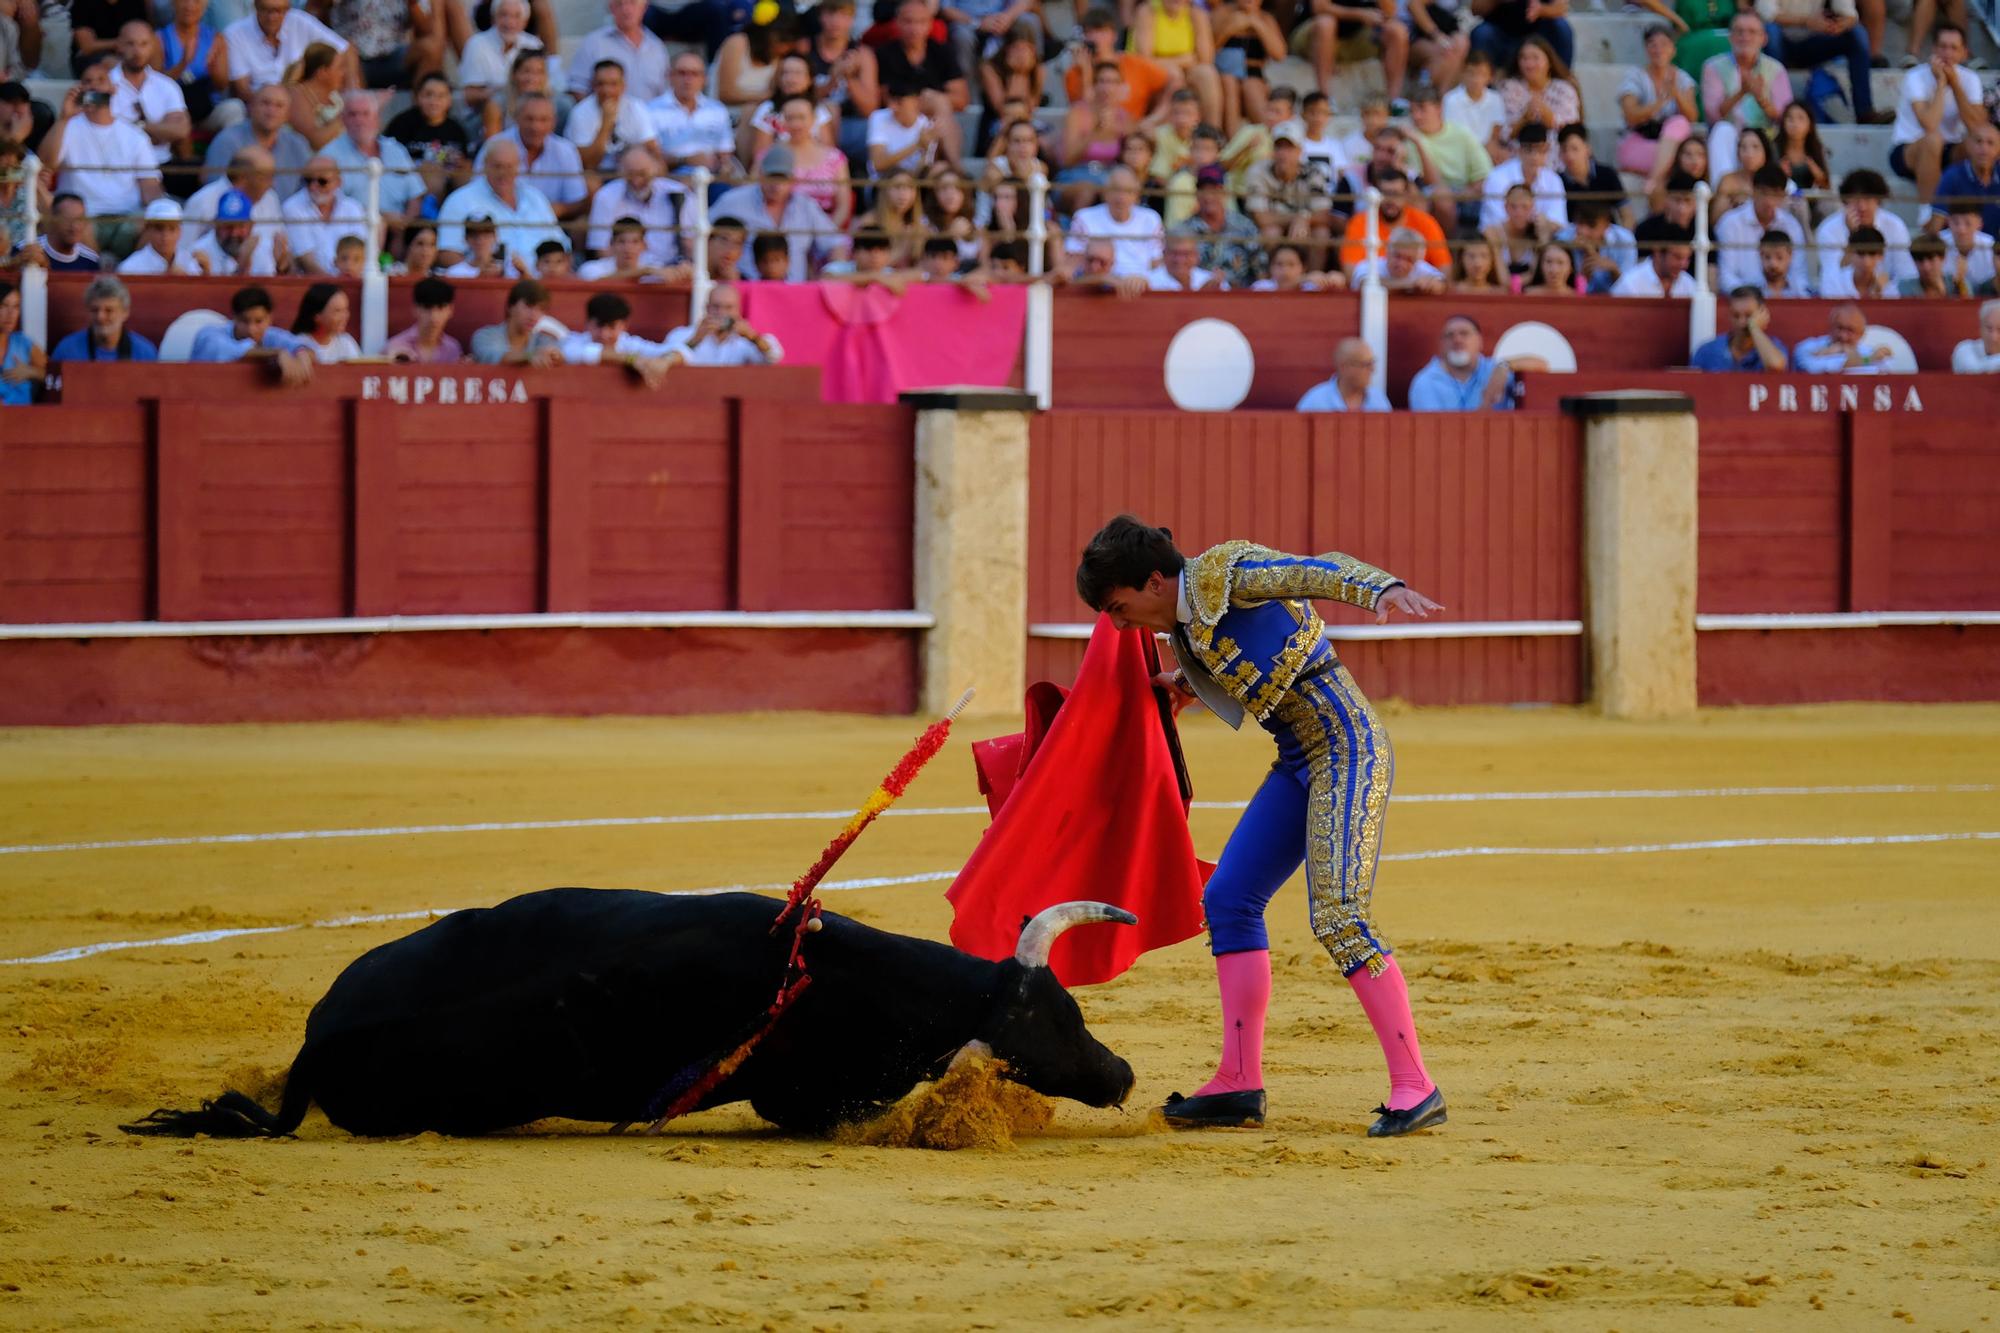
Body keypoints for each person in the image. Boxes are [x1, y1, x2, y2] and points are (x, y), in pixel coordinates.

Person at [1074, 516, 1446, 1136]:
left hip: (1348, 748)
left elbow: (1315, 568)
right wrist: (1185, 685)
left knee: (1339, 915)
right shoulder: (1185, 622)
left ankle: (1416, 1084)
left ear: (1155, 581)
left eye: (1119, 607)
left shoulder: (1228, 576)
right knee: (1228, 899)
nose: (1117, 624)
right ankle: (1238, 1082)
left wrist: (1382, 588)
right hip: (1299, 757)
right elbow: (1240, 660)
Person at [42, 61, 162, 257]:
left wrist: (159, 213)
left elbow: (151, 188)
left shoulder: (135, 135)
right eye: (88, 81)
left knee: (160, 219)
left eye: (101, 80)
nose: (95, 85)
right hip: (84, 218)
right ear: (80, 88)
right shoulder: (68, 127)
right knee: (75, 222)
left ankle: (128, 272)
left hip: (126, 219)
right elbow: (46, 164)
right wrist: (64, 118)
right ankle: (98, 268)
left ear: (113, 88)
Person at [711, 143, 845, 279]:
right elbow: (701, 234)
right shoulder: (733, 201)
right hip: (746, 292)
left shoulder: (806, 206)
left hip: (794, 293)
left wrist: (831, 272)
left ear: (792, 179)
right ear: (761, 175)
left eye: (782, 178)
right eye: (772, 177)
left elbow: (836, 243)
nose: (776, 185)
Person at [436, 138, 565, 273]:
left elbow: (561, 246)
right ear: (485, 165)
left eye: (509, 166)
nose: (503, 173)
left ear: (518, 167)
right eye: (497, 166)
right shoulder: (460, 200)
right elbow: (447, 254)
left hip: (540, 283)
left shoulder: (536, 197)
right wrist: (479, 273)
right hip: (490, 285)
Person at [1889, 22, 1981, 205]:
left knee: (1983, 142)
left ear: (1964, 53)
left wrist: (1954, 84)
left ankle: (1979, 214)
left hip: (1949, 148)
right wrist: (1941, 84)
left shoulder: (1970, 79)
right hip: (1910, 149)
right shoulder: (1915, 77)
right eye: (1943, 47)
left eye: (1954, 48)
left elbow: (1977, 126)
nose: (1947, 54)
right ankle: (1930, 213)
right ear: (1934, 49)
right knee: (1933, 139)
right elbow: (1930, 124)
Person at [1760, 0, 1884, 129]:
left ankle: (1864, 111)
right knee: (1770, 30)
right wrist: (1806, 22)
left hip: (1815, 41)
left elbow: (1850, 15)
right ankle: (1777, 109)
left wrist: (1840, 25)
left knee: (1857, 33)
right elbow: (1767, 14)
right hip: (1781, 44)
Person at [876, 0, 969, 164]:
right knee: (940, 104)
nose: (914, 28)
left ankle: (947, 166)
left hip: (935, 118)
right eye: (908, 21)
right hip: (899, 117)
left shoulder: (942, 52)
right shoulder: (884, 54)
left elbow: (961, 99)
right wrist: (919, 100)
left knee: (939, 106)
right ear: (897, 22)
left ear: (930, 24)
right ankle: (955, 167)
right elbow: (885, 98)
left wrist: (931, 98)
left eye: (920, 22)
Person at [1701, 10, 1788, 181]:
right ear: (1730, 37)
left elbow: (1784, 117)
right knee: (1722, 130)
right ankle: (1725, 191)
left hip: (1765, 139)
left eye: (1752, 32)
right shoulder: (1713, 67)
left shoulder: (1776, 69)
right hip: (1730, 139)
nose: (1745, 37)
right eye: (1739, 31)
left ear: (1764, 39)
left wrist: (1761, 99)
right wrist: (1742, 92)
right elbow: (1713, 116)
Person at [220, 0, 352, 101]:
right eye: (266, 10)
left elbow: (346, 49)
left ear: (287, 9)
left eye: (278, 11)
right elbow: (243, 90)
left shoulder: (298, 20)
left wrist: (353, 91)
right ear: (255, 7)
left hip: (301, 98)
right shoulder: (235, 34)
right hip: (261, 103)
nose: (272, 17)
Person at [1408, 312, 1543, 409]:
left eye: (1464, 333)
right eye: (1450, 335)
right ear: (1441, 344)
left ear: (1480, 341)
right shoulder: (1426, 382)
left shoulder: (1494, 369)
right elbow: (1431, 431)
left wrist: (1506, 366)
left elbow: (1542, 365)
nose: (1457, 340)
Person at [189, 283, 315, 386]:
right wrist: (277, 352)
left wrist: (301, 353)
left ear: (269, 319)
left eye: (259, 321)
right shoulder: (210, 334)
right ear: (234, 318)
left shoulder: (272, 335)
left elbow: (301, 346)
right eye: (244, 321)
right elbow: (228, 351)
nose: (251, 329)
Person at [205, 81, 313, 200]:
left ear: (288, 114)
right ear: (251, 107)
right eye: (265, 103)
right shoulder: (227, 141)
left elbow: (307, 191)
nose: (271, 111)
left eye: (279, 106)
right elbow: (215, 190)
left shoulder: (298, 144)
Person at [324, 91, 422, 220]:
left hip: (401, 227)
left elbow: (416, 194)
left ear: (377, 118)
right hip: (355, 227)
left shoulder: (395, 149)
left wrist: (404, 229)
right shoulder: (329, 155)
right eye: (352, 114)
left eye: (365, 114)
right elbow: (331, 204)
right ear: (343, 120)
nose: (359, 120)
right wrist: (382, 219)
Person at [108, 20, 189, 174]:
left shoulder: (166, 85)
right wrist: (159, 130)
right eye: (130, 44)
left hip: (162, 163)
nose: (137, 51)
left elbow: (180, 130)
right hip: (120, 165)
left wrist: (138, 126)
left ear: (152, 46)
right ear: (119, 45)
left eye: (144, 44)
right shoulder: (104, 85)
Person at [1814, 169, 1914, 292]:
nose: (1862, 207)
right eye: (1856, 200)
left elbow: (1905, 272)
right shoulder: (1828, 229)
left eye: (1868, 199)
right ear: (1845, 201)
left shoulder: (1895, 226)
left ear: (1878, 200)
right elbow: (1832, 277)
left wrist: (1886, 289)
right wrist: (1853, 236)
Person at [1618, 22, 1696, 177]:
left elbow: (1692, 117)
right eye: (1652, 45)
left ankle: (1653, 181)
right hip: (1642, 141)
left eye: (1664, 44)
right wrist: (1660, 102)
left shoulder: (1682, 79)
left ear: (1673, 50)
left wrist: (1676, 94)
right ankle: (1657, 177)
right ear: (1646, 49)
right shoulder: (1634, 76)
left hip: (1673, 144)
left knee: (1678, 123)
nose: (1658, 50)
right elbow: (1630, 116)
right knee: (1669, 160)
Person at [1131, 0, 1225, 126]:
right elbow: (1145, 57)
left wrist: (1176, 62)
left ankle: (1212, 131)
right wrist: (1186, 59)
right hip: (1155, 70)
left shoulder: (1197, 14)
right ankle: (1160, 124)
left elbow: (1206, 58)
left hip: (1185, 69)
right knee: (1175, 74)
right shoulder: (1147, 10)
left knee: (1207, 74)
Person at [1715, 164, 1807, 293]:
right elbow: (1726, 277)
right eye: (1764, 193)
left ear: (1784, 195)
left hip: (1785, 299)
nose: (1769, 201)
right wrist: (1752, 298)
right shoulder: (1730, 224)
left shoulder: (1792, 226)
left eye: (1775, 194)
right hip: (1742, 304)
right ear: (1753, 191)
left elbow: (1799, 274)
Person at [557, 290, 678, 387]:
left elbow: (679, 350)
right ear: (587, 323)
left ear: (624, 325)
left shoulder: (631, 344)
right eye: (599, 326)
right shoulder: (574, 341)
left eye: (612, 327)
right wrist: (631, 359)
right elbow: (573, 353)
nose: (604, 334)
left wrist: (665, 362)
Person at [461, 0, 559, 118]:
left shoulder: (534, 44)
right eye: (503, 15)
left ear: (525, 22)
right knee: (496, 103)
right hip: (486, 113)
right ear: (493, 18)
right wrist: (506, 91)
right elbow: (469, 96)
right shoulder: (477, 44)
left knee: (562, 104)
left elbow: (546, 84)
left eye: (516, 16)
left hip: (528, 108)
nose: (510, 22)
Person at [1068, 163, 1167, 277]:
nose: (1121, 197)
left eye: (1128, 191)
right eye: (1116, 190)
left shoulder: (1151, 219)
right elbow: (1074, 263)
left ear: (1137, 195)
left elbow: (1157, 263)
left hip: (1140, 286)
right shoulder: (1084, 218)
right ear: (1105, 192)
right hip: (1097, 286)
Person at [648, 50, 736, 178]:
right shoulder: (651, 110)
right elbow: (649, 156)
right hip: (667, 178)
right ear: (669, 76)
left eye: (695, 74)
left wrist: (723, 167)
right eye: (682, 73)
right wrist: (685, 160)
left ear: (704, 79)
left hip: (711, 177)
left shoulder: (717, 110)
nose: (688, 80)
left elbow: (725, 153)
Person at [1173, 163, 1263, 288]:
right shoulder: (1183, 230)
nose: (1209, 196)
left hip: (1240, 297)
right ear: (1196, 194)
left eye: (1214, 190)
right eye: (1203, 190)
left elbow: (1261, 268)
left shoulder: (1245, 227)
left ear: (1224, 192)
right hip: (1198, 297)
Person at [566, 0, 668, 103]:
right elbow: (577, 88)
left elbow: (664, 93)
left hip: (650, 117)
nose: (626, 9)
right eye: (619, 4)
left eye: (632, 3)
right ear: (611, 8)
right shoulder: (593, 43)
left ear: (644, 7)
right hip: (605, 116)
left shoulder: (657, 48)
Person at [662, 282, 783, 365]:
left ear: (738, 311)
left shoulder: (745, 341)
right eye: (716, 307)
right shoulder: (682, 334)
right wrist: (696, 339)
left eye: (728, 308)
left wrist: (753, 337)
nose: (721, 313)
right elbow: (664, 360)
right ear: (707, 308)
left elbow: (774, 356)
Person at [282, 156, 367, 274]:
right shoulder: (292, 207)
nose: (313, 187)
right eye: (308, 180)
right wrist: (334, 286)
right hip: (315, 284)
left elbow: (362, 252)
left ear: (338, 182)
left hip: (351, 281)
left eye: (322, 181)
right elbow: (307, 261)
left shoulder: (353, 208)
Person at [49, 274, 156, 362]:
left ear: (125, 313)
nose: (100, 317)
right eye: (94, 310)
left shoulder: (144, 353)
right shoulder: (66, 350)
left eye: (109, 310)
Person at [1478, 121, 1563, 230]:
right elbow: (1500, 221)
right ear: (1519, 150)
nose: (1535, 157)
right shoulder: (1497, 177)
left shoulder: (1554, 180)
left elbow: (1558, 222)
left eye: (1541, 150)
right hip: (1500, 241)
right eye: (1529, 150)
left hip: (1538, 239)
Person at [1927, 120, 2000, 241]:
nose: (1984, 148)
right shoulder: (1952, 176)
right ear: (1968, 145)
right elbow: (1936, 225)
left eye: (1990, 143)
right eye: (1978, 141)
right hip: (1959, 249)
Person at [470, 278, 565, 365]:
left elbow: (557, 356)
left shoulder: (543, 340)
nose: (534, 315)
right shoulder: (485, 336)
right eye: (528, 306)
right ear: (510, 307)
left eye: (541, 309)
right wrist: (530, 356)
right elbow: (496, 357)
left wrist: (556, 357)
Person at [1692, 285, 1788, 370]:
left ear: (1762, 314)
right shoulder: (1707, 351)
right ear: (1729, 315)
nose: (1741, 322)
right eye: (1736, 315)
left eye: (1748, 315)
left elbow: (1775, 366)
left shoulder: (1775, 346)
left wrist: (1754, 327)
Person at [1467, 0, 1573, 72]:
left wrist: (1541, 10)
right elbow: (1475, 9)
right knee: (1482, 33)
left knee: (1561, 28)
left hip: (1538, 36)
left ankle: (1562, 82)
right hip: (1500, 35)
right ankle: (1483, 89)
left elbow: (1562, 7)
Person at [1790, 301, 1893, 372]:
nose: (1843, 336)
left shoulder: (1869, 352)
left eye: (1850, 331)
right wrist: (1867, 360)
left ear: (1861, 334)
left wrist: (1857, 356)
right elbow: (1812, 368)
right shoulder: (1807, 347)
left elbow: (1887, 368)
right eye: (1839, 328)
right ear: (1830, 326)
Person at [1297, 336, 1390, 410]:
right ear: (1344, 367)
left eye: (1372, 363)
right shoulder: (1315, 401)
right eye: (1365, 364)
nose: (1372, 369)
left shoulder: (1378, 399)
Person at [387, 275, 463, 363]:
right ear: (415, 309)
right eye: (427, 308)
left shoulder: (453, 348)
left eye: (440, 308)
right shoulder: (395, 346)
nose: (433, 317)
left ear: (450, 310)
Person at [1611, 219, 1696, 296]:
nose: (1684, 265)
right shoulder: (1629, 284)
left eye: (1687, 258)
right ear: (1657, 252)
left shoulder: (1689, 284)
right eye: (1677, 257)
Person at [118, 197, 201, 273]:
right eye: (159, 229)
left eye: (172, 229)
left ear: (179, 231)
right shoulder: (130, 268)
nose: (165, 235)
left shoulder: (190, 262)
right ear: (148, 230)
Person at [25, 192, 100, 271]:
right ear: (53, 220)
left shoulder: (91, 260)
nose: (75, 226)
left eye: (79, 219)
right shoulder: (28, 250)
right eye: (68, 219)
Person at [289, 281, 359, 363]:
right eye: (337, 311)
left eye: (346, 310)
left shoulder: (346, 342)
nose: (345, 316)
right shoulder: (299, 344)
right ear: (317, 316)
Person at [1819, 224, 1896, 299]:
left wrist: (1878, 294)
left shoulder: (1888, 287)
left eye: (1872, 253)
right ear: (1849, 253)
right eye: (1860, 253)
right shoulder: (1834, 282)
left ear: (1881, 255)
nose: (1866, 260)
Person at [0, 277, 41, 403]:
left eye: (16, 306)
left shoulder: (23, 343)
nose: (11, 313)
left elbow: (56, 374)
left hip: (22, 418)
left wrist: (32, 372)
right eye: (4, 306)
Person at [1950, 298, 2000, 373]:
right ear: (1980, 328)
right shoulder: (1964, 349)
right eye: (1989, 328)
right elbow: (1973, 371)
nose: (1994, 337)